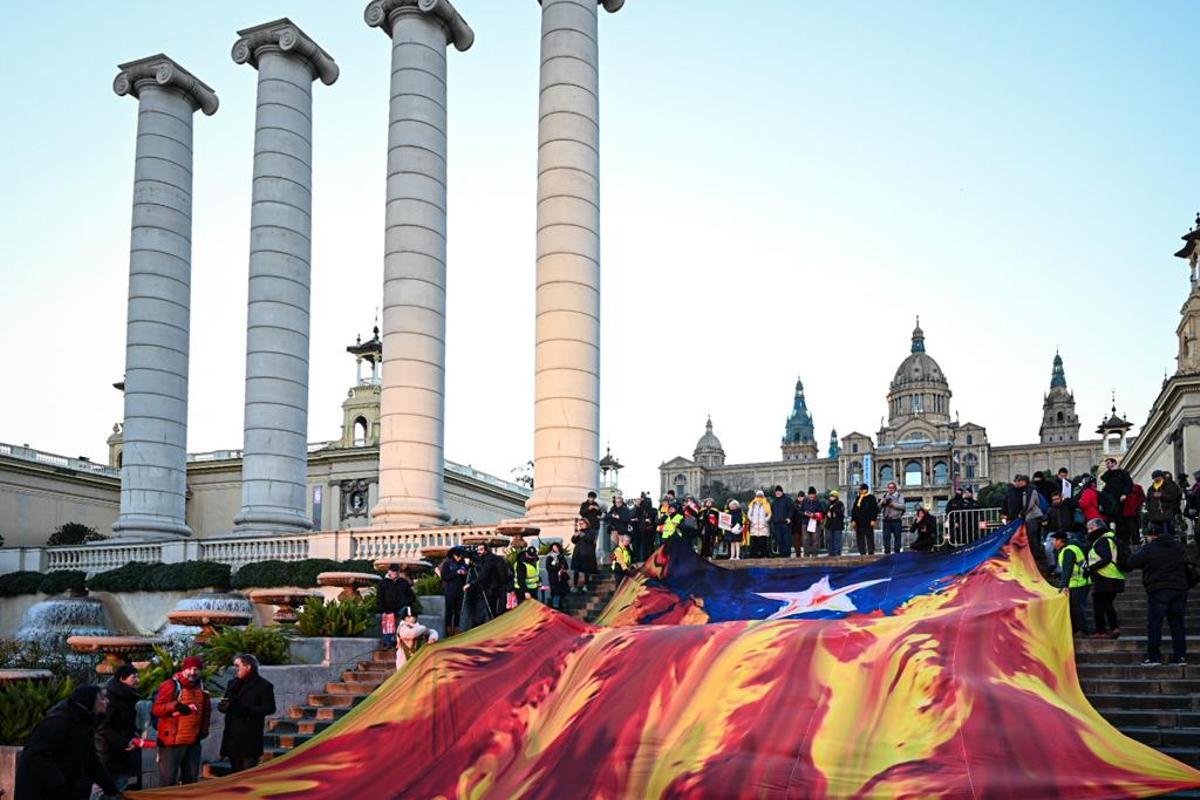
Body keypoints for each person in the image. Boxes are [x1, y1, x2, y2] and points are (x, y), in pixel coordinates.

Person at [15, 684, 121, 800]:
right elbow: (37, 753)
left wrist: (111, 789)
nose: (107, 701)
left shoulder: (85, 722)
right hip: (43, 791)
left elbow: (91, 761)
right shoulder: (59, 720)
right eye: (102, 698)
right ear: (90, 701)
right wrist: (59, 783)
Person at [1125, 526, 1190, 665]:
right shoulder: (1177, 546)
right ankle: (1180, 656)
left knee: (1155, 624)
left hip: (1159, 589)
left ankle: (1153, 657)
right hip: (1179, 589)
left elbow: (1130, 562)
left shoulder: (1149, 548)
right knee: (1177, 624)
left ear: (1152, 536)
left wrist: (1143, 549)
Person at [150, 654, 211, 787]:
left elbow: (206, 711)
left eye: (196, 669)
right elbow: (156, 709)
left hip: (193, 741)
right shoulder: (171, 685)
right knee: (168, 781)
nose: (192, 672)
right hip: (172, 742)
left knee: (191, 781)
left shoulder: (201, 687)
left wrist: (204, 731)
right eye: (189, 669)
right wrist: (176, 706)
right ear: (183, 669)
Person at [218, 654, 276, 774]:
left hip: (249, 738)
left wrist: (247, 710)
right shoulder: (232, 683)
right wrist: (223, 707)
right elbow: (227, 701)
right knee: (234, 773)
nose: (235, 669)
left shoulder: (264, 685)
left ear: (248, 667)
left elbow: (270, 708)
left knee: (248, 774)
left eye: (237, 666)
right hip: (232, 737)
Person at [94, 665, 141, 800]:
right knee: (102, 789)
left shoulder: (128, 696)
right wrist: (123, 742)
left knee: (118, 788)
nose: (138, 680)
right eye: (134, 677)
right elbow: (102, 726)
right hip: (107, 751)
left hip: (123, 751)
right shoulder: (109, 697)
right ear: (122, 679)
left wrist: (133, 735)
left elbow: (126, 722)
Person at [1084, 518, 1125, 639]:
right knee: (1107, 604)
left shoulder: (1101, 541)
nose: (1089, 531)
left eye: (1091, 528)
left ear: (1098, 528)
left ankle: (1101, 631)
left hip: (1105, 577)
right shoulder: (1110, 538)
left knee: (1098, 604)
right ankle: (1114, 628)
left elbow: (1106, 558)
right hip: (1114, 577)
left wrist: (1090, 569)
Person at [1051, 531, 1091, 637]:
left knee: (1077, 608)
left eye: (1054, 540)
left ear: (1060, 541)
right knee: (1077, 608)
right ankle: (1079, 630)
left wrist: (1064, 585)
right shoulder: (1071, 547)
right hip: (1081, 582)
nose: (1052, 543)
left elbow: (1068, 569)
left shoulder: (1068, 550)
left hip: (1077, 583)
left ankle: (1082, 631)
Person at [377, 563, 416, 649]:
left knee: (407, 613)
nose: (395, 573)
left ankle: (405, 639)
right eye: (393, 571)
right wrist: (383, 611)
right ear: (389, 571)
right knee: (388, 619)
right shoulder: (383, 583)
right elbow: (379, 599)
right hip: (388, 609)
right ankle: (387, 643)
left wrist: (404, 603)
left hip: (401, 608)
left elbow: (412, 597)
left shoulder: (404, 582)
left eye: (397, 571)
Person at [1044, 491, 1081, 574]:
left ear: (1061, 498)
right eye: (1054, 500)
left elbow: (1077, 504)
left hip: (1067, 531)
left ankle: (1059, 570)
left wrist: (1067, 499)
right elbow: (1046, 524)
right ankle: (1052, 564)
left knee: (1062, 547)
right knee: (1048, 548)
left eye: (1057, 499)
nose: (1055, 501)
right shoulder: (1050, 510)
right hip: (1053, 532)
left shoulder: (1067, 506)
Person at [435, 548, 469, 636]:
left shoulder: (463, 564)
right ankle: (448, 629)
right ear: (453, 555)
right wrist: (456, 572)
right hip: (449, 590)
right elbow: (444, 577)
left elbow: (467, 576)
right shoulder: (447, 563)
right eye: (458, 556)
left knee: (458, 610)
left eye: (461, 556)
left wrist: (464, 573)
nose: (459, 557)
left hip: (459, 590)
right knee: (449, 611)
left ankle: (457, 628)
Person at [1146, 469, 1183, 538]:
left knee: (1168, 533)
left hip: (1167, 514)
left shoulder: (1169, 485)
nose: (1156, 479)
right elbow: (1148, 500)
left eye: (1158, 477)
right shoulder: (1151, 489)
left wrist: (1162, 495)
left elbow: (1173, 496)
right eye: (1154, 478)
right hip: (1155, 516)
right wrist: (1149, 508)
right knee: (1158, 534)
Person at [570, 517, 599, 591]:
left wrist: (582, 535)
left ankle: (585, 585)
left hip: (587, 554)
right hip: (578, 553)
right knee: (576, 570)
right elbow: (573, 541)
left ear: (586, 524)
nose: (581, 525)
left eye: (582, 524)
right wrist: (575, 536)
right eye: (580, 524)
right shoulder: (579, 531)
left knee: (586, 570)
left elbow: (590, 540)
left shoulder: (591, 531)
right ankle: (575, 585)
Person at [850, 483, 879, 555]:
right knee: (860, 538)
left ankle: (871, 551)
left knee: (869, 537)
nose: (860, 491)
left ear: (866, 490)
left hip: (868, 521)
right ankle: (862, 552)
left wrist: (873, 519)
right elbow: (854, 510)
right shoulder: (858, 498)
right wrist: (853, 520)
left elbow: (874, 510)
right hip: (859, 522)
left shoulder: (871, 497)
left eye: (861, 489)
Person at [798, 487, 825, 557]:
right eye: (810, 494)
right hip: (806, 523)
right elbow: (799, 511)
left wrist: (815, 514)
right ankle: (806, 554)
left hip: (815, 523)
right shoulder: (804, 502)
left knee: (815, 539)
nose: (812, 496)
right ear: (808, 495)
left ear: (815, 495)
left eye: (813, 494)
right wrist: (805, 513)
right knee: (805, 539)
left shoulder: (818, 503)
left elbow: (822, 512)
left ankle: (814, 554)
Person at [544, 542, 571, 609]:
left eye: (557, 547)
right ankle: (555, 606)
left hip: (561, 577)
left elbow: (566, 566)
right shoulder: (549, 557)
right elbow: (549, 568)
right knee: (556, 592)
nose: (556, 549)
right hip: (554, 577)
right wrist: (559, 567)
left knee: (563, 591)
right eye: (554, 547)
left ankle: (559, 605)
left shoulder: (561, 556)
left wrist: (562, 565)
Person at [769, 485, 794, 557]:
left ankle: (787, 555)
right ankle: (782, 555)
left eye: (779, 491)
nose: (778, 493)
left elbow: (791, 510)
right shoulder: (774, 502)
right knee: (779, 540)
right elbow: (772, 512)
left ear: (782, 492)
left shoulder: (787, 500)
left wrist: (789, 518)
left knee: (786, 540)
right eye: (776, 492)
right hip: (777, 524)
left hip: (785, 523)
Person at [880, 481, 905, 555]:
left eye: (892, 488)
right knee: (886, 536)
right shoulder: (885, 495)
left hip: (896, 519)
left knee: (897, 536)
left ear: (895, 488)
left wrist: (892, 504)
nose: (890, 489)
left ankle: (897, 552)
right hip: (886, 519)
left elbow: (902, 506)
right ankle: (887, 552)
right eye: (889, 488)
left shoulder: (899, 496)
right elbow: (878, 507)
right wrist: (882, 503)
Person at [747, 490, 772, 558]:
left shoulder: (766, 504)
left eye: (761, 496)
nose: (759, 497)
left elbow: (769, 514)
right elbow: (749, 514)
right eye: (758, 496)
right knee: (754, 542)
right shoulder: (753, 504)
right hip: (754, 526)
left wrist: (765, 521)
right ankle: (753, 555)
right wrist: (752, 520)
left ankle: (764, 555)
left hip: (763, 526)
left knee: (763, 541)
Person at [824, 490, 846, 557]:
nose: (831, 498)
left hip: (837, 525)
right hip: (829, 525)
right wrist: (827, 513)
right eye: (830, 496)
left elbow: (841, 512)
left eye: (833, 496)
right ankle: (831, 552)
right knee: (829, 539)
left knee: (837, 539)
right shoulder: (828, 504)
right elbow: (825, 511)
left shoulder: (839, 503)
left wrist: (834, 511)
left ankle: (837, 552)